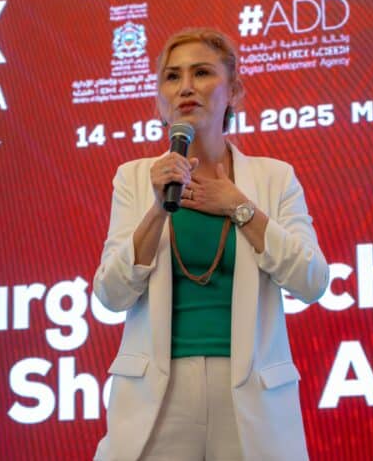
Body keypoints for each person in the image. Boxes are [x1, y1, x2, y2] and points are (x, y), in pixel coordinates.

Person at [93, 28, 329, 461]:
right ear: (159, 100)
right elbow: (111, 293)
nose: (185, 87)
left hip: (250, 396)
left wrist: (240, 207)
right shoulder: (134, 178)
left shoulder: (274, 177)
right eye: (172, 76)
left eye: (201, 73)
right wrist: (158, 209)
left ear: (234, 91)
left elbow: (311, 281)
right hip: (157, 397)